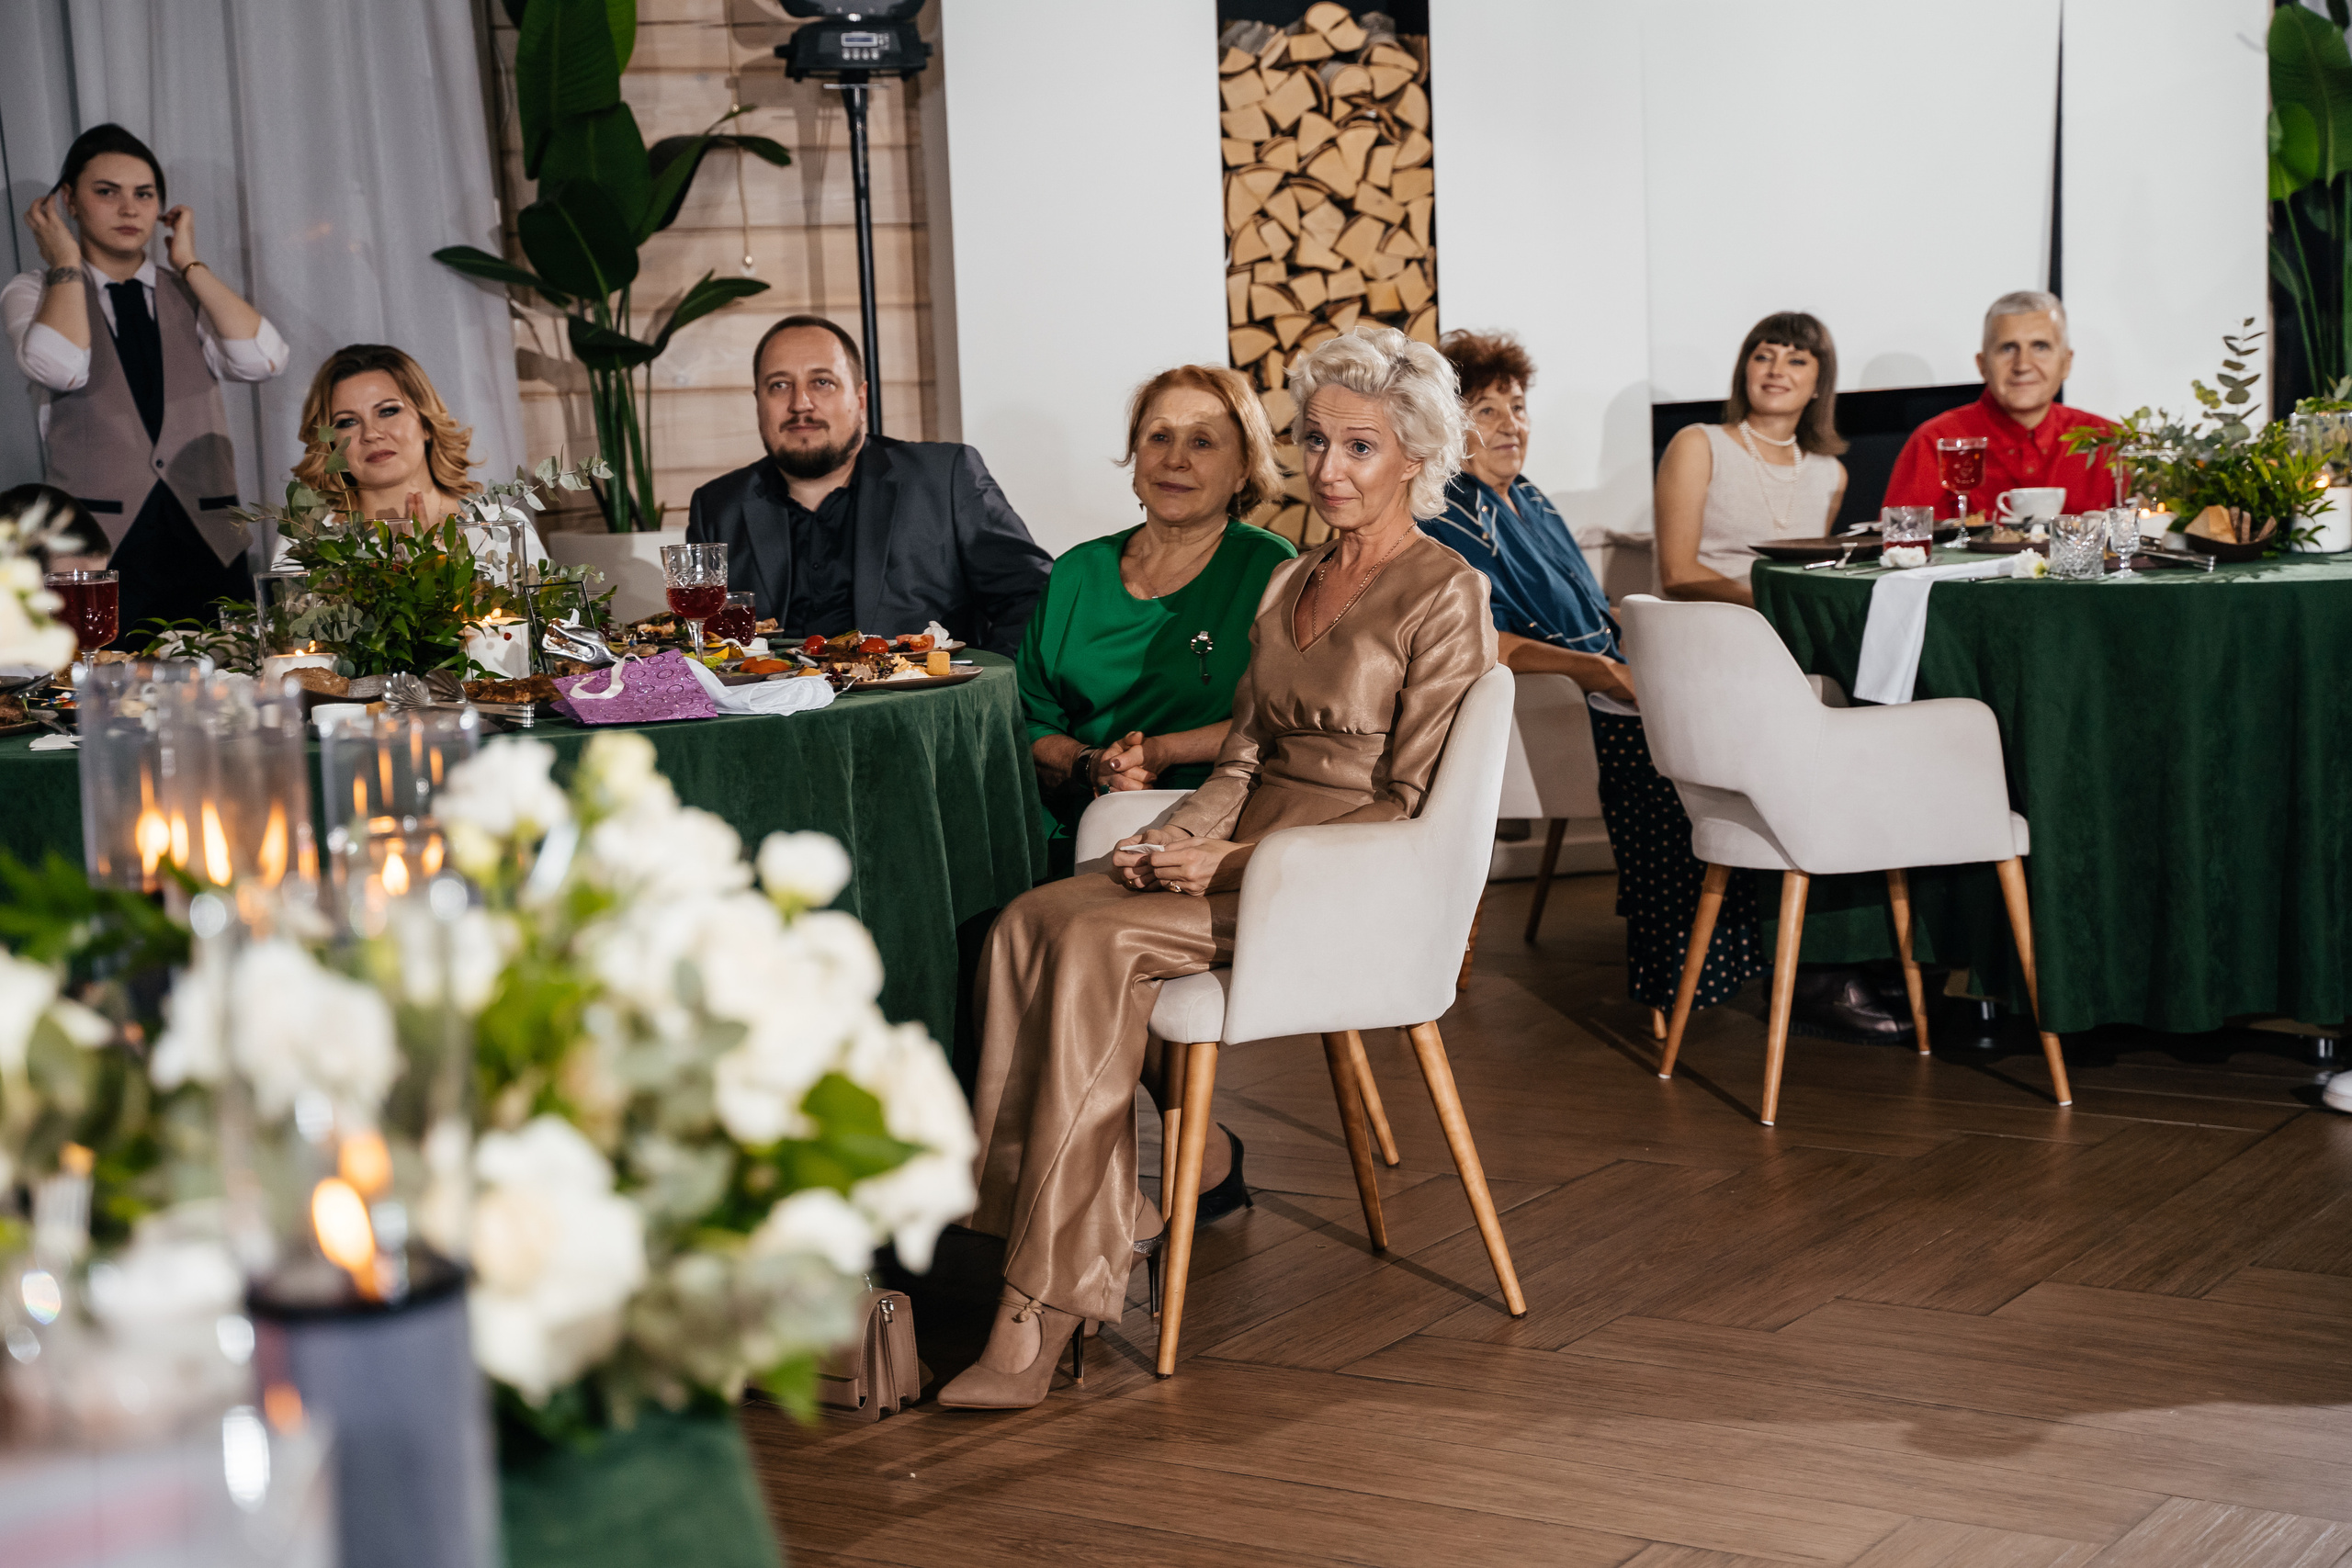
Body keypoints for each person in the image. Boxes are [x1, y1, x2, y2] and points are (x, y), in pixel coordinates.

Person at [943, 326, 1495, 1411]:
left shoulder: (1447, 592)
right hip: (1246, 856)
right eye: (1316, 442)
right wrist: (1182, 836)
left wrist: (1242, 860)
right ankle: (1017, 1239)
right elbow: (1244, 754)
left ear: (1416, 458)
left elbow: (1413, 804)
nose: (1329, 471)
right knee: (1024, 925)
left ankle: (1042, 1310)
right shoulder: (1290, 579)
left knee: (1095, 942)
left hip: (1342, 880)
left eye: (1361, 449)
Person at [1431, 330, 1761, 1030]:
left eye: (1517, 407)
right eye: (1486, 410)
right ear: (1444, 421)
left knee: (1738, 719)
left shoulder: (1530, 498)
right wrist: (1598, 668)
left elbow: (1587, 608)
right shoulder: (1446, 512)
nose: (1511, 424)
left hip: (1608, 680)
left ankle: (1737, 944)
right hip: (1556, 703)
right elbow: (1479, 642)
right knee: (1676, 752)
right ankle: (1675, 961)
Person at [3, 123, 288, 639]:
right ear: (68, 200)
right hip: (97, 549)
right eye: (106, 192)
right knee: (107, 697)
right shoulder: (34, 291)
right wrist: (66, 262)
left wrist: (190, 264)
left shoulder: (190, 290)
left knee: (227, 688)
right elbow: (61, 366)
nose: (129, 209)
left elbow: (263, 361)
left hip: (208, 541)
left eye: (144, 194)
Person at [1017, 365, 1295, 877]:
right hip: (1066, 819)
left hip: (1204, 826)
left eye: (1203, 442)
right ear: (1136, 458)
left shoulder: (1268, 567)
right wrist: (1093, 763)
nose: (1174, 459)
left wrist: (1165, 751)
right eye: (1159, 436)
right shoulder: (1077, 570)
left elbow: (1282, 716)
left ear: (1242, 470)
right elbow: (1029, 717)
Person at [684, 315, 1052, 655]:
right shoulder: (717, 507)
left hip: (915, 713)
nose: (800, 403)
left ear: (860, 399)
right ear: (758, 403)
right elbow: (705, 641)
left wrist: (986, 691)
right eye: (779, 385)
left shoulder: (945, 478)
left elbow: (1034, 599)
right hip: (771, 719)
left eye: (822, 382)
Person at [1654, 310, 1849, 608]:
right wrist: (1773, 608)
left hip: (1785, 630)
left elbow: (1807, 574)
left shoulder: (1832, 473)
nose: (1776, 370)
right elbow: (1677, 575)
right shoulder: (1698, 445)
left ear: (1820, 384)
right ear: (1745, 370)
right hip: (1704, 625)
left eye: (1796, 361)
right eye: (1763, 357)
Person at [290, 344, 537, 567]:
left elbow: (551, 618)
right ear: (330, 442)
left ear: (427, 423)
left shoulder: (501, 528)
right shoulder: (310, 541)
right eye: (348, 421)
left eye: (388, 411)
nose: (371, 433)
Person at [1883, 290, 2115, 520]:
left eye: (2040, 347)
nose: (2022, 364)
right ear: (1982, 365)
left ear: (2066, 362)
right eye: (2007, 348)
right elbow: (1900, 546)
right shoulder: (1936, 442)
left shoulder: (2111, 441)